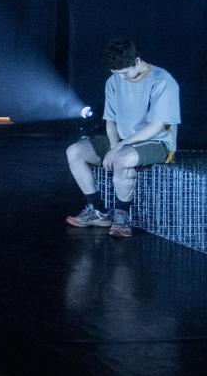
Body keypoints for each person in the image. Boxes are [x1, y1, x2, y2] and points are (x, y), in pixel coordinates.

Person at [65, 38, 180, 238]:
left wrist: (119, 147)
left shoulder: (162, 80)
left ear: (137, 61)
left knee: (121, 158)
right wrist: (115, 144)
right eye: (117, 74)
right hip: (124, 141)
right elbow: (111, 120)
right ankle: (99, 212)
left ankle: (122, 217)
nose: (122, 78)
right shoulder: (114, 81)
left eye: (125, 73)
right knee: (74, 151)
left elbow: (157, 126)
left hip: (157, 142)